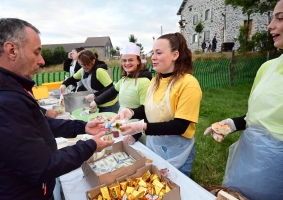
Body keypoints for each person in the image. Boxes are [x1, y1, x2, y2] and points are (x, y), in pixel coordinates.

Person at [0, 18, 114, 200]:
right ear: (11, 50)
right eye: (36, 52)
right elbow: (43, 167)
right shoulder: (1, 102)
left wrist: (82, 127)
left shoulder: (8, 88)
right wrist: (90, 145)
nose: (42, 61)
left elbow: (39, 123)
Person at [203, 2, 283, 199]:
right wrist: (230, 124)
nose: (270, 25)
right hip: (248, 160)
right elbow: (255, 117)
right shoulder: (267, 68)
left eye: (280, 18)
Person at [111, 32, 202, 177]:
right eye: (152, 52)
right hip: (154, 145)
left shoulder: (188, 84)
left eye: (158, 53)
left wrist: (141, 126)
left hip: (177, 149)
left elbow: (180, 125)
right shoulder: (155, 81)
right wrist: (131, 112)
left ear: (175, 55)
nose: (153, 57)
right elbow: (148, 109)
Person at [89, 42, 152, 145]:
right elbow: (111, 92)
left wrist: (135, 135)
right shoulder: (124, 79)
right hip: (121, 125)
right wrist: (96, 101)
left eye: (131, 60)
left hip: (136, 130)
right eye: (124, 60)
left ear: (138, 61)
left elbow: (146, 111)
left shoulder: (144, 82)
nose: (127, 63)